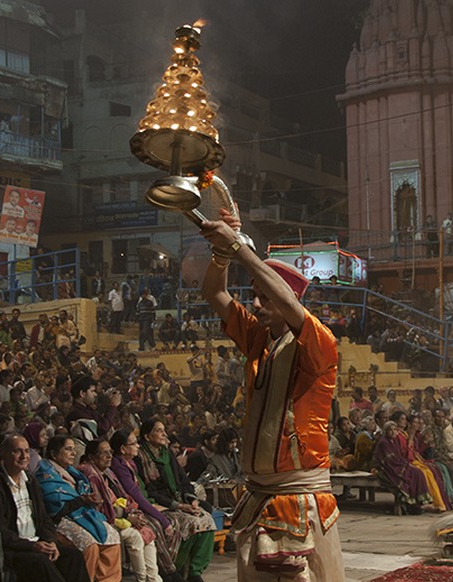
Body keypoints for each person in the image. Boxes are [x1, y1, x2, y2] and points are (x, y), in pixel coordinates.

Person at [199, 208, 343, 581]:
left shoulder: (319, 343)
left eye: (265, 297)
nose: (257, 305)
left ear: (289, 298)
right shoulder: (260, 339)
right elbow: (214, 291)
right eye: (254, 296)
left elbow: (294, 308)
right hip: (259, 492)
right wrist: (221, 253)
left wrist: (241, 249)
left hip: (297, 496)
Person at [0, 434, 91, 582]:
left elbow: (44, 518)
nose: (24, 456)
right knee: (42, 563)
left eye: (26, 451)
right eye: (18, 451)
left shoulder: (30, 481)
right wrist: (32, 546)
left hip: (38, 541)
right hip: (16, 549)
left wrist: (50, 541)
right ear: (5, 454)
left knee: (73, 556)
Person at [35, 435, 123, 582]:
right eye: (68, 449)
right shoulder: (45, 474)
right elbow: (54, 507)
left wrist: (86, 500)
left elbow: (80, 494)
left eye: (74, 450)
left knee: (112, 537)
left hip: (81, 514)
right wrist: (82, 500)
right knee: (89, 545)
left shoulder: (73, 472)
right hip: (58, 520)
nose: (73, 453)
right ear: (54, 453)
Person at [136, 420, 215, 582]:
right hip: (161, 504)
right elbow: (150, 491)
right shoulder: (140, 458)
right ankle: (174, 568)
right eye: (159, 431)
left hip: (179, 500)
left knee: (206, 518)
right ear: (147, 436)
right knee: (189, 523)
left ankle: (195, 572)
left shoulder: (167, 454)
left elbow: (183, 480)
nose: (165, 434)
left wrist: (192, 500)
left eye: (164, 430)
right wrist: (178, 506)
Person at [78, 439, 161, 582]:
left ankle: (153, 579)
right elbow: (99, 507)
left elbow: (123, 496)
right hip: (103, 520)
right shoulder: (89, 473)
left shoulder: (107, 472)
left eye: (110, 452)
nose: (109, 456)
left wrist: (132, 513)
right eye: (104, 453)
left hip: (121, 515)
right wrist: (128, 515)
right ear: (91, 457)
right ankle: (142, 579)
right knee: (135, 537)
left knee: (148, 531)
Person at [109, 428, 183, 581]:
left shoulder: (130, 463)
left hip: (141, 505)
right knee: (156, 524)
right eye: (134, 443)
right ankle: (167, 571)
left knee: (173, 522)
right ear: (123, 449)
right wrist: (161, 519)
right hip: (129, 509)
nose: (138, 446)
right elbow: (136, 496)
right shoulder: (118, 466)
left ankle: (168, 569)